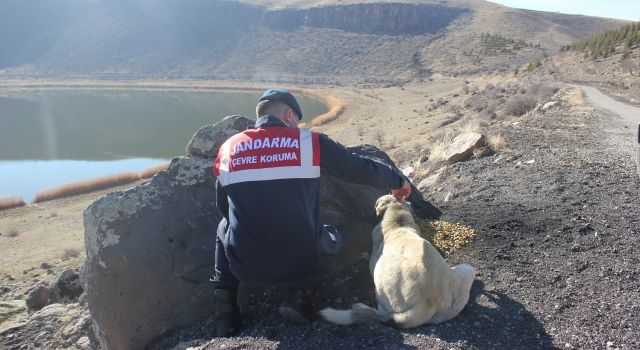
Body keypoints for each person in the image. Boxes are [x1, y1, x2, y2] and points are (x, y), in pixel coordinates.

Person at [211, 89, 411, 337]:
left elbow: (224, 206)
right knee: (335, 231)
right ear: (288, 114)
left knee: (223, 225)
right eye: (297, 119)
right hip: (304, 263)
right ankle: (299, 296)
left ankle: (225, 310)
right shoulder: (308, 142)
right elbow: (357, 168)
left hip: (247, 269)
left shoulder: (229, 148)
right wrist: (397, 178)